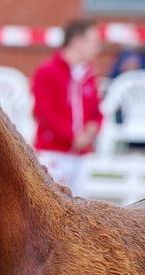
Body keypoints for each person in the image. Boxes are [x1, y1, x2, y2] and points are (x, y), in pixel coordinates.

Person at [32, 18, 103, 194]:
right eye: (93, 41)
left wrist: (92, 129)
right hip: (53, 152)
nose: (97, 47)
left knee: (81, 209)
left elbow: (97, 111)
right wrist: (72, 137)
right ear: (77, 41)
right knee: (52, 208)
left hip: (81, 155)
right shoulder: (47, 72)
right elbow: (44, 112)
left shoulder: (88, 74)